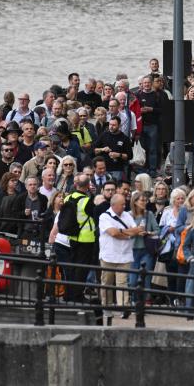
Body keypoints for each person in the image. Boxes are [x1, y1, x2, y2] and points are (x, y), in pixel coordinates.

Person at [98, 193, 143, 313]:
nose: (124, 206)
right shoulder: (104, 217)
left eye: (124, 204)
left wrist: (122, 232)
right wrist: (127, 232)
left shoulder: (127, 216)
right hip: (109, 255)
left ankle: (124, 307)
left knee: (122, 283)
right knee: (107, 282)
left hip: (124, 255)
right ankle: (106, 307)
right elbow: (113, 233)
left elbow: (136, 231)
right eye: (122, 204)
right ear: (114, 205)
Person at [64, 174, 98, 303]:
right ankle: (77, 295)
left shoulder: (68, 198)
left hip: (72, 236)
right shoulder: (86, 201)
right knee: (82, 268)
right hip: (86, 239)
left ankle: (69, 293)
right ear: (88, 186)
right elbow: (95, 215)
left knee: (72, 266)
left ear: (76, 185)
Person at [91, 117, 132, 182]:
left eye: (114, 125)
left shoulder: (124, 138)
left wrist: (118, 155)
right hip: (103, 168)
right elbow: (93, 149)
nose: (111, 127)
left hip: (117, 169)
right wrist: (102, 149)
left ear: (119, 125)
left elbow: (130, 156)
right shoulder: (104, 135)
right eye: (110, 124)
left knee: (116, 186)